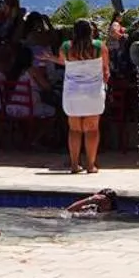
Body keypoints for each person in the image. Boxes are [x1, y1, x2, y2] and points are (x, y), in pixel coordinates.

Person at [56, 19, 109, 175]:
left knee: (74, 129)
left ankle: (74, 164)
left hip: (72, 92)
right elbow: (106, 69)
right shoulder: (100, 46)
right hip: (93, 91)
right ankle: (90, 165)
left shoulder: (66, 47)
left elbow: (61, 61)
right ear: (91, 31)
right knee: (92, 130)